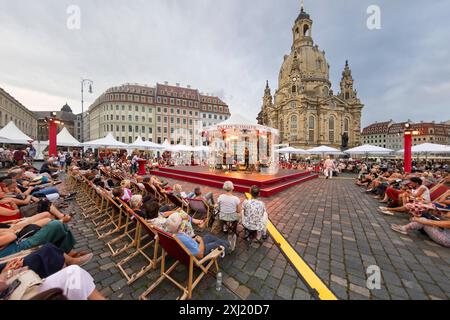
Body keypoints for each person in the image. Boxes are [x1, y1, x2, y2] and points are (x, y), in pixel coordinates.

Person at [165, 214, 231, 258]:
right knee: (215, 244)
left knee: (209, 236)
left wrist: (193, 240)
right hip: (198, 253)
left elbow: (187, 244)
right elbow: (200, 254)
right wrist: (201, 241)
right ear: (179, 225)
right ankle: (229, 249)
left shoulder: (169, 233)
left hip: (191, 248)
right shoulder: (183, 238)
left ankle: (227, 243)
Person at [217, 181, 241, 251]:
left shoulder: (220, 197)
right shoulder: (236, 199)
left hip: (223, 216)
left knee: (225, 214)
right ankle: (232, 227)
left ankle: (225, 227)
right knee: (240, 213)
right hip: (233, 217)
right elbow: (239, 211)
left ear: (224, 188)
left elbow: (219, 208)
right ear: (232, 188)